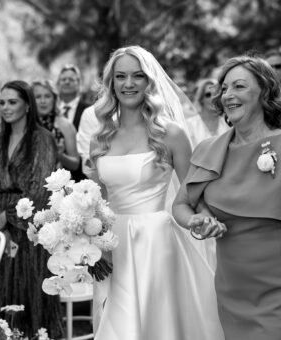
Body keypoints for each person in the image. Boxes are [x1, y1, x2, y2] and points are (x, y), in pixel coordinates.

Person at [173, 55, 281, 340]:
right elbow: (181, 205)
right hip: (232, 288)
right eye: (224, 88)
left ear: (264, 91)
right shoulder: (208, 150)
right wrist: (197, 220)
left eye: (239, 86)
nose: (228, 95)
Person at [90, 46, 224, 340]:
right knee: (117, 325)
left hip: (155, 242)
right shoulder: (100, 138)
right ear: (111, 83)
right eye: (121, 76)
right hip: (112, 247)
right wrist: (90, 243)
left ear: (149, 81)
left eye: (138, 76)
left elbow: (193, 194)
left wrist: (206, 219)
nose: (129, 84)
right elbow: (96, 203)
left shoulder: (171, 134)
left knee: (154, 324)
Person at [0, 80, 63, 337]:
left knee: (34, 293)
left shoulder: (43, 139)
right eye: (2, 103)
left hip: (32, 230)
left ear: (28, 105)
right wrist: (1, 227)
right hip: (3, 233)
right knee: (6, 294)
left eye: (12, 102)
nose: (5, 107)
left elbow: (41, 190)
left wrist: (7, 217)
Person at [31, 80, 80, 172]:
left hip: (56, 183)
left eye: (47, 96)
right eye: (38, 97)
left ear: (54, 99)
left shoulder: (65, 125)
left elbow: (75, 164)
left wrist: (59, 155)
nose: (43, 101)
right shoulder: (23, 124)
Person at [186, 78, 230, 146]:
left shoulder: (228, 123)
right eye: (208, 95)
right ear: (201, 99)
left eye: (216, 94)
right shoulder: (190, 125)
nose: (212, 98)